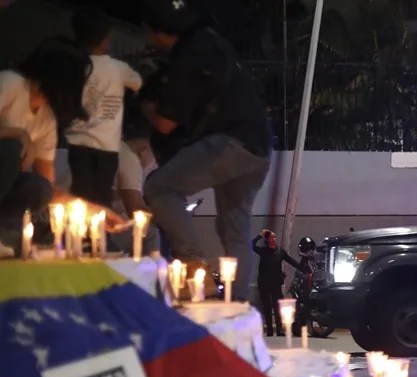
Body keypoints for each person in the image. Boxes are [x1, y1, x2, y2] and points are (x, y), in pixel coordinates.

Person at [140, 0, 272, 300]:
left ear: (160, 32)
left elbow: (165, 123)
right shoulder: (211, 41)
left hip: (230, 143)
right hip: (259, 148)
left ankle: (192, 264)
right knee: (234, 227)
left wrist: (145, 106)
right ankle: (237, 305)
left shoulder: (186, 57)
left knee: (159, 187)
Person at [0, 37, 91, 256]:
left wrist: (91, 210)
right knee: (10, 149)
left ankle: (4, 232)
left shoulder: (47, 119)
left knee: (40, 188)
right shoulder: (11, 83)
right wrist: (20, 134)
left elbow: (49, 187)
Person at [66, 8, 143, 209]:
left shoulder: (73, 65)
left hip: (76, 142)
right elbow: (137, 84)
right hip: (107, 147)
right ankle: (98, 238)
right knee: (101, 197)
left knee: (80, 195)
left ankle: (78, 237)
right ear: (107, 39)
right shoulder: (119, 68)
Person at [252, 229, 303, 336]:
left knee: (278, 307)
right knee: (267, 307)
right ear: (267, 239)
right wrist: (260, 235)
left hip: (276, 283)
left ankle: (279, 329)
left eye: (275, 237)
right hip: (264, 283)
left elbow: (291, 261)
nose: (274, 239)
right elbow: (251, 245)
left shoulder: (280, 252)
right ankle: (270, 329)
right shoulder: (263, 251)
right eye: (271, 237)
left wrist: (303, 268)